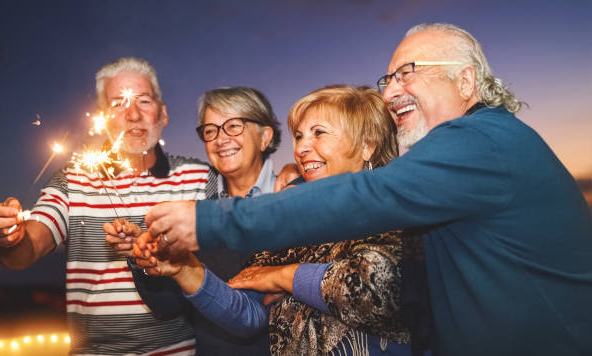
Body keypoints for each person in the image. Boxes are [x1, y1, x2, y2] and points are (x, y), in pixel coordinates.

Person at [142, 23, 592, 356]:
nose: (392, 89)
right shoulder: (460, 163)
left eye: (407, 72)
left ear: (466, 81)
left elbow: (378, 269)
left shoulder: (479, 143)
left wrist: (208, 221)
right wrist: (185, 269)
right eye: (388, 78)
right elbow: (249, 311)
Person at [135, 85, 429, 355]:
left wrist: (284, 275)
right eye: (299, 136)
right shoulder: (288, 222)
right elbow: (249, 316)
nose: (301, 148)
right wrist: (185, 269)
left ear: (368, 145)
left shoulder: (397, 208)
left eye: (319, 133)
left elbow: (377, 288)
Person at [0, 57, 216, 355]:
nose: (133, 114)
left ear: (163, 113)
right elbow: (22, 254)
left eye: (143, 101)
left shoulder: (198, 177)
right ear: (103, 117)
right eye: (118, 103)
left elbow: (241, 233)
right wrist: (9, 235)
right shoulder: (73, 179)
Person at [128, 86, 281, 355]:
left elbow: (256, 317)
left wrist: (186, 268)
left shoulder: (292, 200)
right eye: (210, 130)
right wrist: (143, 258)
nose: (220, 139)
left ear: (264, 137)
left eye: (234, 125)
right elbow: (168, 306)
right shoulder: (197, 215)